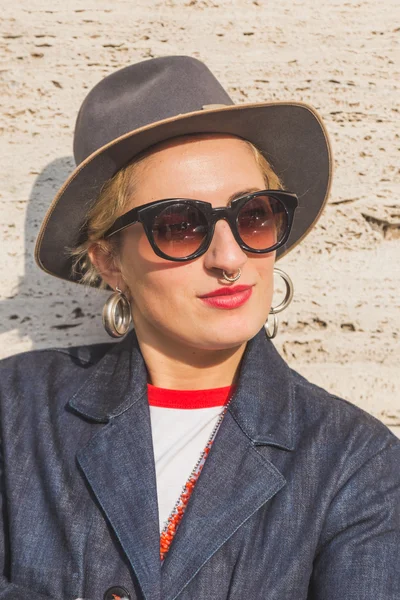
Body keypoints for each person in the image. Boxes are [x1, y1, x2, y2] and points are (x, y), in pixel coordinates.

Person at [0, 56, 399, 600]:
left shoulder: (357, 464)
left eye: (254, 214)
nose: (229, 256)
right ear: (109, 261)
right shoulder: (15, 411)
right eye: (179, 226)